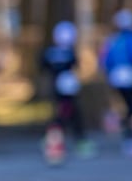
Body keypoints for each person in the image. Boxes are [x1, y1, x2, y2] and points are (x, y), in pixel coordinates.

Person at [39, 20, 93, 158]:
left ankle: (59, 139)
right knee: (66, 114)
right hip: (63, 88)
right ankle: (57, 140)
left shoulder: (52, 53)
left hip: (62, 88)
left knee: (68, 114)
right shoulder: (62, 53)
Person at [100, 9, 132, 155]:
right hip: (129, 76)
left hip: (114, 77)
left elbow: (104, 60)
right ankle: (130, 136)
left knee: (121, 107)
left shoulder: (112, 39)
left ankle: (121, 130)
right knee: (131, 108)